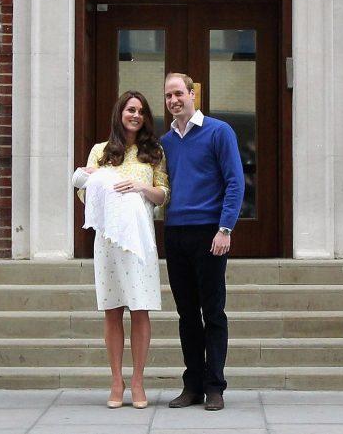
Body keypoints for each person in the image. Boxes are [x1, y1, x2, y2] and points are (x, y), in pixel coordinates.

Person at [71, 91, 169, 409]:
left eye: (141, 111)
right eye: (130, 109)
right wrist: (101, 179)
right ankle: (116, 380)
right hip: (110, 241)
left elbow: (163, 195)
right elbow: (83, 193)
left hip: (140, 241)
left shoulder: (154, 152)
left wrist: (140, 187)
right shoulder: (100, 151)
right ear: (120, 113)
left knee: (140, 310)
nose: (135, 115)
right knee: (113, 310)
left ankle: (138, 382)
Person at [161, 72, 244, 412]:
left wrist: (225, 229)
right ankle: (192, 385)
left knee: (213, 312)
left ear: (192, 93)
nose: (173, 100)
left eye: (178, 93)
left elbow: (235, 182)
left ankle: (215, 386)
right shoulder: (166, 142)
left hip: (210, 232)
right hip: (175, 232)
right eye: (168, 96)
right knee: (186, 314)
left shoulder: (218, 132)